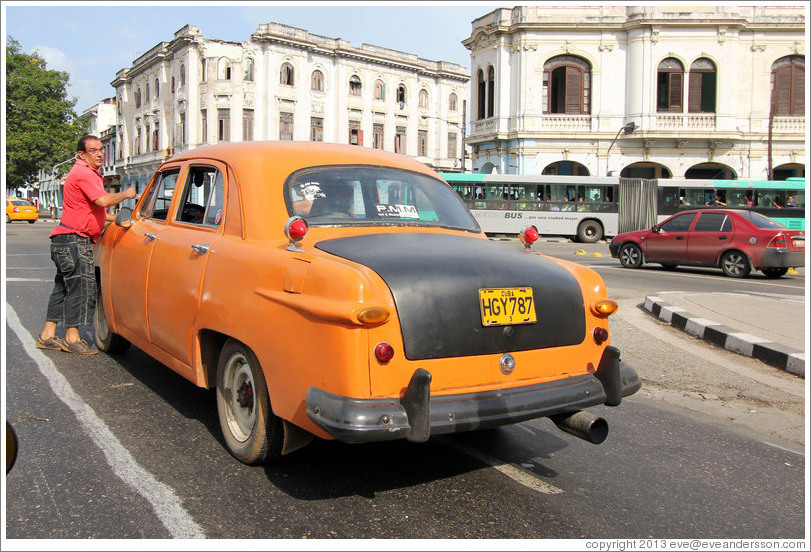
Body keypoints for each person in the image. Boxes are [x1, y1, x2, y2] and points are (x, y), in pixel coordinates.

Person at [36, 135, 137, 355]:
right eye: (93, 150)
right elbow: (102, 201)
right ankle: (72, 338)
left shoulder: (83, 172)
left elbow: (94, 210)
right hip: (75, 239)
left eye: (101, 149)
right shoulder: (83, 172)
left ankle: (47, 334)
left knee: (62, 288)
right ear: (81, 154)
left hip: (64, 238)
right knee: (81, 289)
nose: (99, 154)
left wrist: (117, 218)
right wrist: (126, 194)